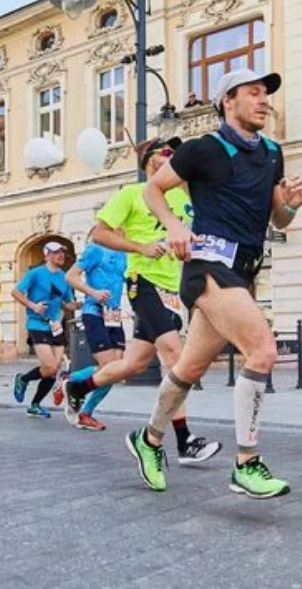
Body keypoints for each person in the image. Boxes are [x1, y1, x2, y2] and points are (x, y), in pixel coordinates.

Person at [135, 68, 302, 499]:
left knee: (188, 369)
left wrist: (290, 206)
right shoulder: (204, 148)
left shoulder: (272, 152)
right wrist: (174, 224)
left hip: (243, 272)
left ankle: (150, 439)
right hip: (208, 265)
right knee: (263, 351)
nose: (264, 100)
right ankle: (247, 462)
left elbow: (276, 218)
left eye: (266, 94)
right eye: (254, 93)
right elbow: (153, 190)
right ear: (228, 100)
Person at [64, 137, 220, 460]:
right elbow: (100, 233)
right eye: (166, 152)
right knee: (176, 356)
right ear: (149, 159)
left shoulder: (182, 197)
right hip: (142, 282)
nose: (173, 157)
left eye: (175, 153)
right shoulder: (132, 194)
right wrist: (141, 247)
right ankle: (183, 440)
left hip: (172, 290)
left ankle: (78, 387)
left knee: (132, 364)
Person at [64, 229, 127, 432]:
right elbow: (71, 277)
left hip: (114, 316)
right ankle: (83, 409)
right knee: (109, 367)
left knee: (116, 372)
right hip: (94, 312)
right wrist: (94, 293)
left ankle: (70, 381)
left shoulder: (125, 252)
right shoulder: (95, 249)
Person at [11, 242, 75, 418]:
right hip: (37, 324)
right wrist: (33, 305)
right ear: (46, 255)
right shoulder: (35, 273)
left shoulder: (65, 277)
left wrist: (85, 302)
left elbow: (67, 303)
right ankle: (23, 379)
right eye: (56, 252)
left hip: (56, 326)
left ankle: (35, 405)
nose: (60, 255)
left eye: (62, 252)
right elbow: (15, 292)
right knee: (50, 366)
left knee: (53, 371)